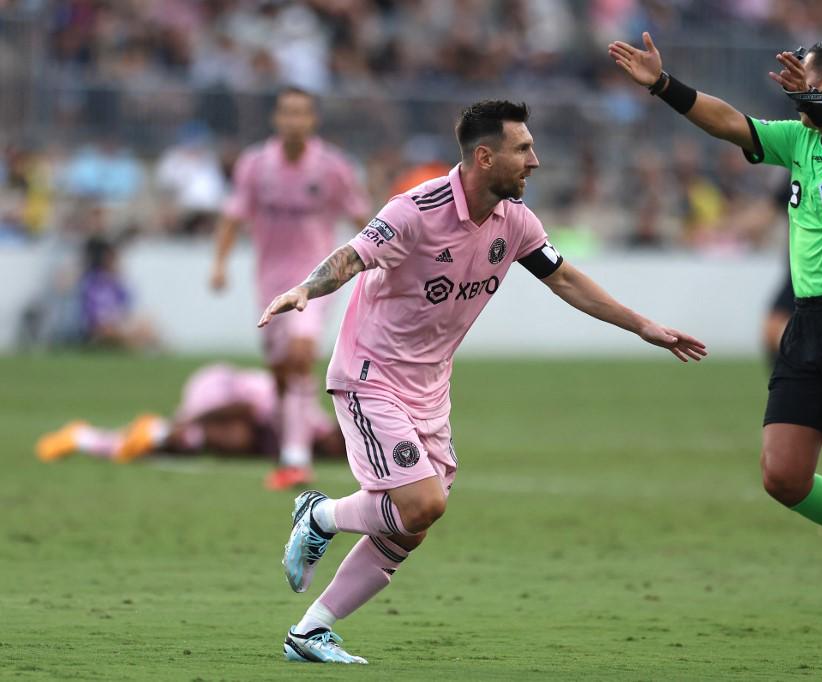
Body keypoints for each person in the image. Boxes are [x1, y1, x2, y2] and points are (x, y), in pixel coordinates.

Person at [258, 100, 708, 665]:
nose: (535, 161)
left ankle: (310, 631)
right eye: (524, 149)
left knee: (409, 527)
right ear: (484, 155)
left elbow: (564, 278)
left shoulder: (516, 222)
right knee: (419, 504)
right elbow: (353, 256)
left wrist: (643, 325)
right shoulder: (415, 211)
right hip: (370, 375)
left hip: (430, 387)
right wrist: (306, 287)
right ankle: (319, 515)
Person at [610, 34, 822, 656]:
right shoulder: (801, 139)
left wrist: (816, 106)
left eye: (805, 76)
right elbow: (731, 123)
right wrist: (661, 84)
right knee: (783, 475)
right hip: (807, 324)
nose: (789, 80)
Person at [210, 86, 370, 490]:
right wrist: (219, 264)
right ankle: (290, 437)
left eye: (302, 114)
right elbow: (233, 217)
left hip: (315, 280)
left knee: (301, 354)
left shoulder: (333, 167)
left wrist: (376, 266)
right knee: (280, 371)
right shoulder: (255, 165)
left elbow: (363, 219)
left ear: (312, 120)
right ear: (276, 119)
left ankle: (296, 459)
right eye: (287, 113)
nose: (294, 121)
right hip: (268, 281)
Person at [35, 363, 345, 463]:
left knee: (233, 440)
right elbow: (244, 407)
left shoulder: (307, 440)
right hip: (217, 388)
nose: (337, 455)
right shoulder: (304, 420)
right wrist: (188, 421)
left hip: (226, 400)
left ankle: (86, 437)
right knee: (219, 437)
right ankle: (154, 431)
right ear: (333, 433)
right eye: (341, 449)